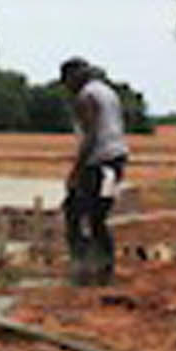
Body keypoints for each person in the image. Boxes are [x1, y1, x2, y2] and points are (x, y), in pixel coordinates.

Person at [60, 57, 130, 285]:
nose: (66, 87)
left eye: (67, 81)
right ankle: (101, 267)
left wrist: (76, 171)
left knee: (76, 211)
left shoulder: (86, 97)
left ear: (75, 77)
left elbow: (91, 136)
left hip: (99, 163)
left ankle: (85, 266)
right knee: (96, 215)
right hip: (115, 161)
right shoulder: (106, 92)